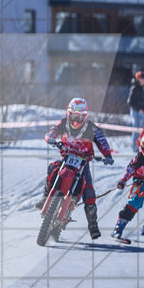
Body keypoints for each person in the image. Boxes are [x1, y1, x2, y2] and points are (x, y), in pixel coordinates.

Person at [42, 97, 114, 240]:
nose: (76, 120)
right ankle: (45, 197)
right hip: (67, 156)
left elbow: (101, 141)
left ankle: (93, 225)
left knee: (89, 191)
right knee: (53, 169)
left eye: (79, 117)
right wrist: (50, 137)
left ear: (85, 117)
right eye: (74, 116)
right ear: (68, 114)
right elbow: (53, 130)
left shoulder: (91, 128)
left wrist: (107, 155)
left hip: (83, 161)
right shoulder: (63, 123)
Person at [111, 126, 144, 242]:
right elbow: (130, 169)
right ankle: (118, 228)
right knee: (135, 203)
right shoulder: (139, 158)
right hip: (140, 183)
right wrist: (123, 180)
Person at [128, 71, 144, 152]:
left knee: (143, 129)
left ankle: (141, 147)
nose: (143, 80)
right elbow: (130, 102)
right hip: (135, 111)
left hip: (142, 111)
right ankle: (134, 147)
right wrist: (138, 109)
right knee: (135, 128)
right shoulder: (134, 88)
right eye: (142, 78)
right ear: (138, 79)